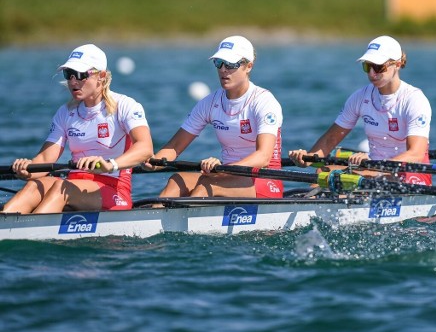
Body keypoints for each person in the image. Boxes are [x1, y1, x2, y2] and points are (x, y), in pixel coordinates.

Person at [2, 44, 153, 214]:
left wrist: (110, 165)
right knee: (34, 185)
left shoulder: (125, 106)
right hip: (72, 185)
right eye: (69, 74)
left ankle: (28, 230)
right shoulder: (65, 113)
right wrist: (27, 169)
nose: (73, 81)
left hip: (113, 191)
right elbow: (45, 158)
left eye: (80, 75)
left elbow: (145, 148)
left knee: (60, 187)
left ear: (101, 76)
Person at [147, 35, 284, 199]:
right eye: (219, 63)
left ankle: (184, 221)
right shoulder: (210, 103)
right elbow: (175, 146)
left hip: (264, 180)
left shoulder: (263, 102)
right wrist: (153, 162)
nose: (223, 70)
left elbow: (263, 157)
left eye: (231, 64)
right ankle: (150, 221)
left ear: (248, 66)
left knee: (206, 186)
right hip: (225, 175)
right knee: (177, 180)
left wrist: (223, 170)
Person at [289, 35, 432, 185]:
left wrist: (375, 166)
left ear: (397, 64)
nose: (371, 73)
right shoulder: (360, 97)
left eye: (378, 67)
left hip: (412, 175)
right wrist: (307, 159)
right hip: (374, 170)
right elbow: (331, 139)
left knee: (346, 180)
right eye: (367, 66)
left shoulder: (414, 100)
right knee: (324, 172)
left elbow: (416, 154)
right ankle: (309, 202)